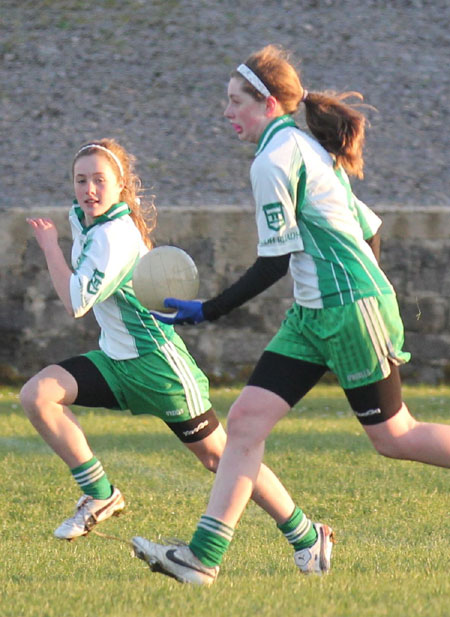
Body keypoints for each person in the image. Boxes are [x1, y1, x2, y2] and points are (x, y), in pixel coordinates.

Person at [131, 44, 450, 585]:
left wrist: (208, 310)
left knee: (394, 436)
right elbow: (368, 228)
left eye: (236, 102)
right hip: (314, 315)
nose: (227, 112)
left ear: (271, 104)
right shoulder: (302, 146)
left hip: (348, 313)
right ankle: (202, 559)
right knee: (247, 423)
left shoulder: (276, 158)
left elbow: (276, 260)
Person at [21, 138, 329, 567]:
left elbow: (76, 303)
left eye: (99, 181)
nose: (89, 189)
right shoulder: (87, 221)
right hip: (116, 362)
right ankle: (100, 494)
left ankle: (307, 535)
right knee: (37, 395)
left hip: (159, 369)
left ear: (121, 185)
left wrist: (50, 248)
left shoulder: (114, 235)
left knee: (221, 457)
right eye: (81, 180)